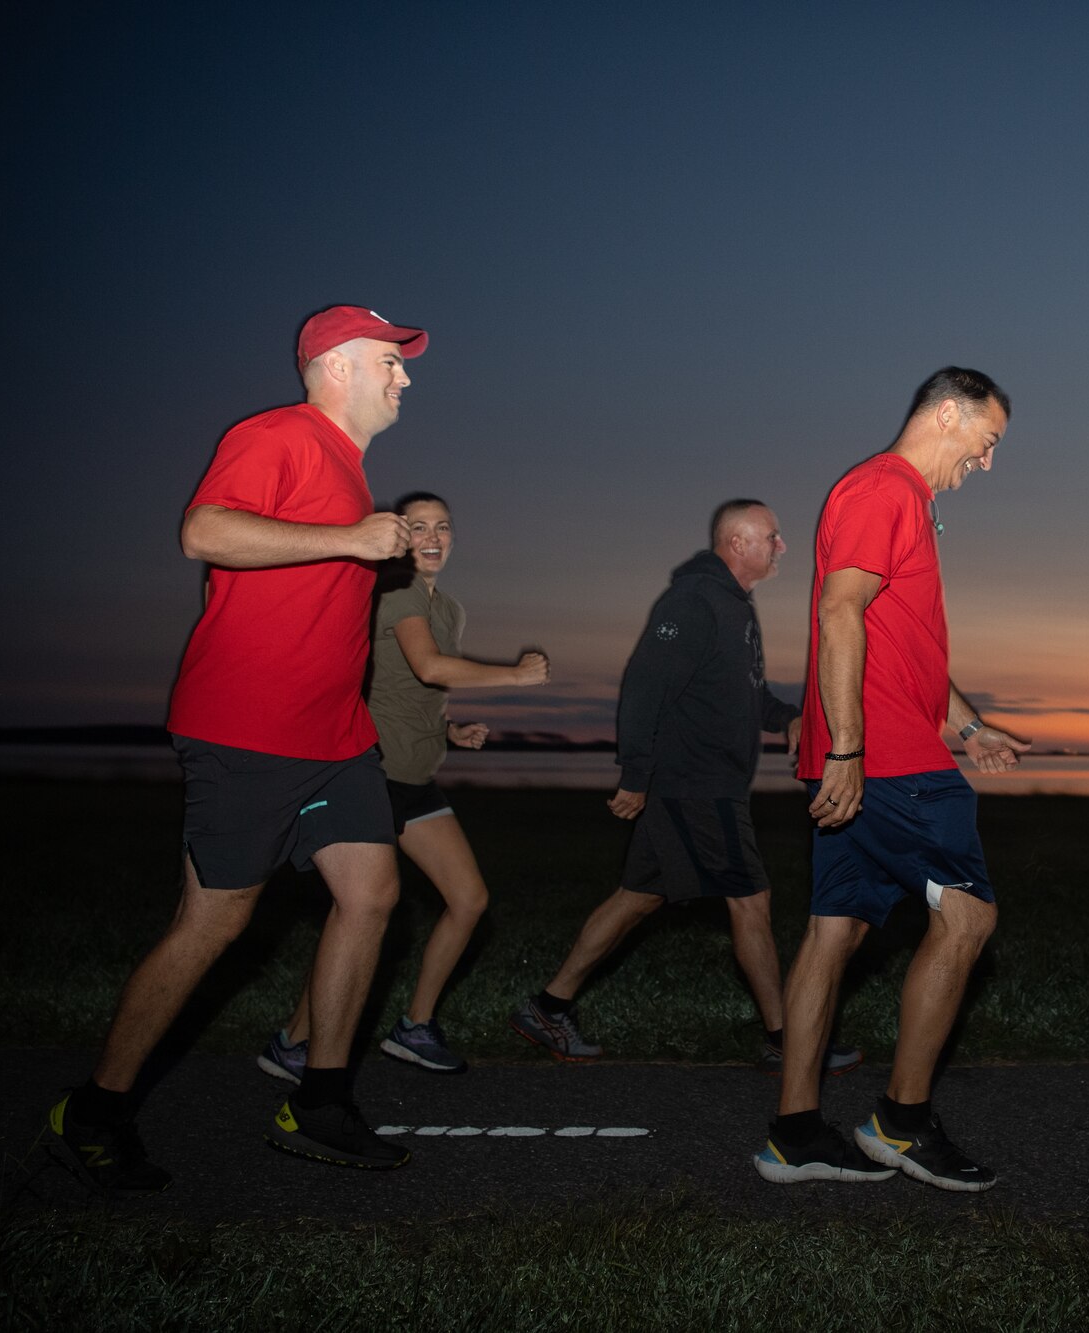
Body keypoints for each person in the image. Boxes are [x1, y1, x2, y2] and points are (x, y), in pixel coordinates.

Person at [45, 306, 428, 1188]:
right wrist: (352, 539)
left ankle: (319, 1101)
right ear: (334, 365)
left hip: (334, 736)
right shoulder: (277, 435)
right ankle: (93, 1110)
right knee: (213, 924)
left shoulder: (349, 469)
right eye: (388, 361)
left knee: (372, 897)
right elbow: (203, 530)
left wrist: (378, 543)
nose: (403, 377)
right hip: (246, 732)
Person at [753, 367, 1029, 1192]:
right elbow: (840, 612)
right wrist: (849, 750)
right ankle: (901, 1124)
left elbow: (898, 643)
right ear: (948, 413)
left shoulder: (896, 498)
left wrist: (971, 725)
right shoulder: (886, 489)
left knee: (834, 931)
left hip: (875, 752)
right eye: (987, 442)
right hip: (889, 763)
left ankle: (795, 1134)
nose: (986, 462)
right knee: (969, 919)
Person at [509, 501, 859, 1076]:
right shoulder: (693, 601)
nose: (782, 546)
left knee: (638, 897)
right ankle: (785, 1039)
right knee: (751, 901)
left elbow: (747, 694)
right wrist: (636, 774)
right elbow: (645, 685)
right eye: (772, 536)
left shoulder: (734, 608)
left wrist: (788, 717)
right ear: (737, 543)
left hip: (698, 782)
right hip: (695, 783)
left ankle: (547, 1007)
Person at [257, 491, 550, 1084]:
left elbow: (401, 686)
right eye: (418, 527)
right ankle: (294, 1042)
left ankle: (415, 1027)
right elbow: (429, 668)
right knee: (361, 918)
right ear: (397, 535)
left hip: (416, 781)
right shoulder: (394, 590)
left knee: (467, 900)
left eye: (443, 525)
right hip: (373, 776)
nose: (433, 536)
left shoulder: (450, 607)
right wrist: (516, 675)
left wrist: (449, 728)